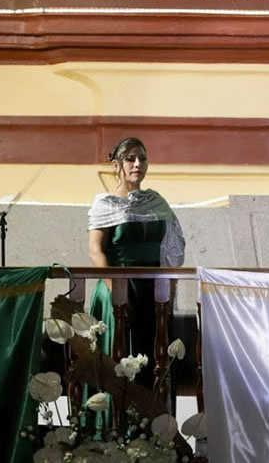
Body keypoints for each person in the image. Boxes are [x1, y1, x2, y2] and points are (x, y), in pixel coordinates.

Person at [87, 137, 186, 391]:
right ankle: (115, 427)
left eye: (142, 158)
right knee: (118, 361)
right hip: (117, 289)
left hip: (153, 292)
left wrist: (169, 293)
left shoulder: (157, 202)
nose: (137, 163)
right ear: (115, 165)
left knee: (154, 360)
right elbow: (96, 252)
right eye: (130, 158)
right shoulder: (105, 204)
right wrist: (117, 293)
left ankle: (151, 429)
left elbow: (172, 250)